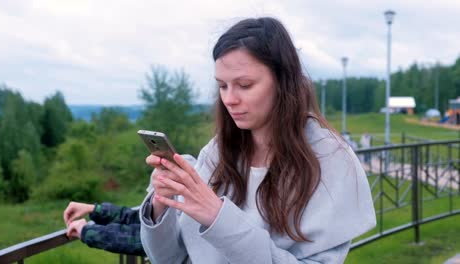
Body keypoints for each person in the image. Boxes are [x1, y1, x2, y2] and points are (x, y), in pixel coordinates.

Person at [140, 17, 376, 264]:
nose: (229, 99)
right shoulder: (216, 153)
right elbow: (171, 259)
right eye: (222, 86)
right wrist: (161, 205)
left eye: (244, 84)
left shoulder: (329, 158)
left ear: (283, 82)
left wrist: (218, 218)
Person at [63, 155, 197, 256]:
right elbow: (140, 220)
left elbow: (141, 239)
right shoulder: (181, 204)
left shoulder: (190, 215)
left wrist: (86, 231)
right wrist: (95, 209)